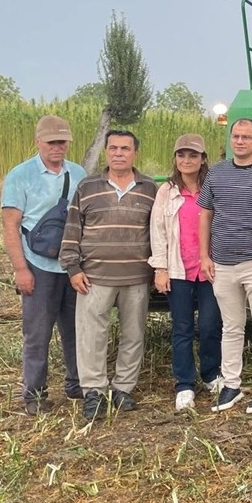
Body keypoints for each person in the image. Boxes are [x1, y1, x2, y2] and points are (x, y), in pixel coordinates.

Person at [60, 130, 158, 422]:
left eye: (125, 148)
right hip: (94, 276)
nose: (118, 153)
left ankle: (123, 389)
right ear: (106, 152)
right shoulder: (88, 187)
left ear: (134, 153)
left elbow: (157, 232)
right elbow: (72, 228)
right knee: (92, 335)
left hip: (136, 275)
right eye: (113, 148)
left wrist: (157, 268)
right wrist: (73, 268)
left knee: (133, 334)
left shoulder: (149, 188)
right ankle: (94, 392)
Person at [198, 118, 252, 413]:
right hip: (222, 263)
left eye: (246, 137)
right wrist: (204, 255)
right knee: (232, 327)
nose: (240, 141)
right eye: (235, 136)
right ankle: (232, 385)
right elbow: (205, 215)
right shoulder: (217, 173)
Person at [0, 115, 88, 415]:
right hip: (37, 266)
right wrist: (21, 269)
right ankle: (34, 395)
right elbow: (11, 226)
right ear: (38, 142)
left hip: (72, 267)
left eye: (62, 142)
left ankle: (77, 384)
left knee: (77, 330)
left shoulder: (78, 174)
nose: (57, 147)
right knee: (37, 333)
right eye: (51, 142)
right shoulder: (20, 176)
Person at [149, 134, 223, 411]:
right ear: (175, 159)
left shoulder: (213, 188)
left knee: (209, 325)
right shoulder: (167, 191)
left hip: (210, 268)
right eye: (181, 155)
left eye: (193, 155)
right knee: (181, 328)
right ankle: (184, 384)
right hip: (179, 269)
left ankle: (211, 374)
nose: (187, 161)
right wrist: (160, 268)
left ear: (203, 159)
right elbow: (157, 230)